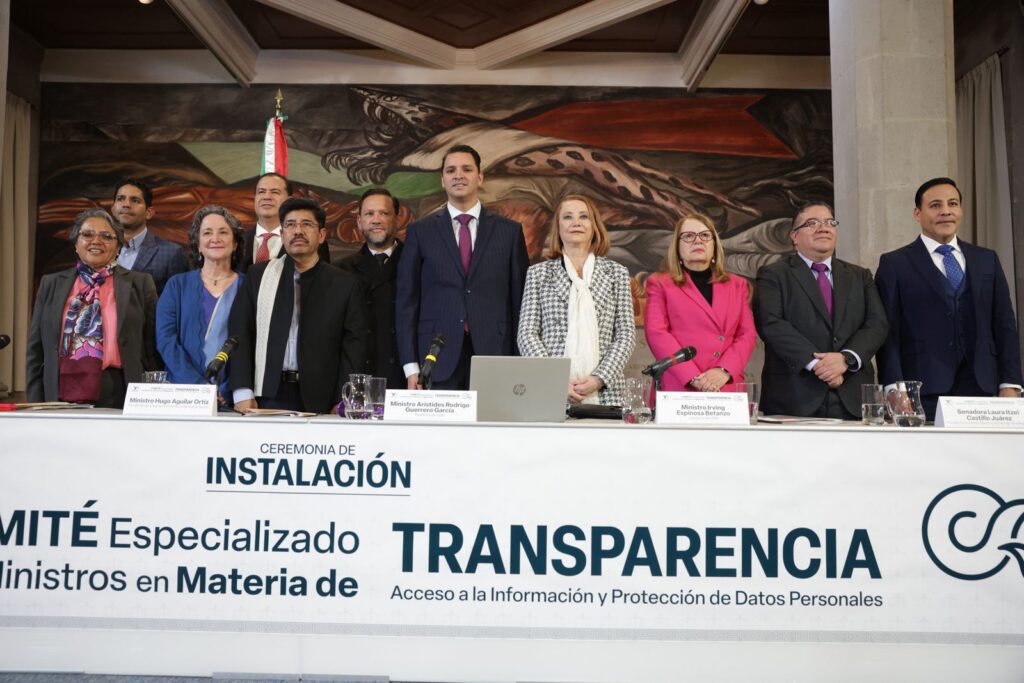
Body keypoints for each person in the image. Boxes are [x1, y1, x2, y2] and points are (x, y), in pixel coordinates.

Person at [875, 177, 1023, 419]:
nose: (946, 211)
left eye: (952, 204)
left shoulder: (987, 259)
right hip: (921, 391)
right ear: (917, 214)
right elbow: (887, 333)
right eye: (935, 205)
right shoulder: (895, 263)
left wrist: (1010, 383)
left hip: (984, 389)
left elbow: (1004, 325)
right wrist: (894, 388)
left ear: (961, 210)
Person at [396, 144, 529, 390]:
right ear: (442, 180)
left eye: (466, 169)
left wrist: (518, 362)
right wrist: (411, 367)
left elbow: (520, 302)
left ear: (480, 177)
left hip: (495, 355)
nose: (458, 175)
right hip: (435, 358)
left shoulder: (509, 232)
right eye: (451, 170)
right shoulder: (420, 232)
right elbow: (407, 303)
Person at [228, 197, 366, 414]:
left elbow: (353, 347)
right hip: (267, 395)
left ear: (321, 235)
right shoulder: (259, 276)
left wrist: (342, 400)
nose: (298, 231)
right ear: (282, 235)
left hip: (323, 397)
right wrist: (242, 392)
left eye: (307, 224)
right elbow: (240, 333)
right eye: (290, 225)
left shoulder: (345, 284)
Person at [753, 202, 888, 419]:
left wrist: (845, 359)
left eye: (829, 222)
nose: (823, 228)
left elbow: (877, 324)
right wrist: (819, 365)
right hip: (794, 395)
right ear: (794, 236)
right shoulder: (773, 275)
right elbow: (771, 323)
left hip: (852, 393)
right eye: (812, 223)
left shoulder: (860, 276)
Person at [27, 208, 159, 408]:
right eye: (87, 234)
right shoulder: (51, 284)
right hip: (61, 387)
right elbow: (35, 350)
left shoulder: (140, 284)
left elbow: (152, 347)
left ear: (118, 246)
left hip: (119, 388)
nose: (96, 241)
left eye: (106, 236)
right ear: (76, 243)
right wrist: (35, 403)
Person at [517, 195, 635, 405]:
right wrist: (557, 379)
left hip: (605, 392)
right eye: (568, 217)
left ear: (594, 226)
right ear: (558, 227)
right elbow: (527, 334)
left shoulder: (617, 273)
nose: (576, 223)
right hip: (551, 390)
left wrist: (599, 378)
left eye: (584, 216)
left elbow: (625, 335)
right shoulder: (538, 274)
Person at [644, 212, 756, 393]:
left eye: (705, 235)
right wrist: (692, 376)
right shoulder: (660, 283)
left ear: (714, 245)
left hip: (724, 385)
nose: (698, 241)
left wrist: (723, 370)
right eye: (688, 236)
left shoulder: (738, 285)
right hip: (680, 385)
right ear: (677, 247)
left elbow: (747, 335)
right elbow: (657, 333)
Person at [156, 205, 246, 405]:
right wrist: (198, 387)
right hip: (182, 396)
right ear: (198, 244)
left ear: (235, 243)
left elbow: (254, 345)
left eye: (223, 232)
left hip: (233, 398)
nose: (215, 238)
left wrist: (228, 389)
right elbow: (166, 340)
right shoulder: (177, 285)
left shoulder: (249, 286)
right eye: (207, 233)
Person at [338, 188, 405, 389]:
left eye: (383, 213)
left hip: (405, 380)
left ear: (397, 219)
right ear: (359, 222)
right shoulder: (341, 271)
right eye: (369, 214)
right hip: (359, 379)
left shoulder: (417, 263)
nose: (376, 220)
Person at [240, 172, 329, 273]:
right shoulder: (237, 240)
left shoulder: (313, 240)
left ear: (288, 200)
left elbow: (322, 278)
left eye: (275, 192)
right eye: (261, 192)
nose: (266, 197)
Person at [111, 178, 188, 294]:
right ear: (113, 209)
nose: (126, 204)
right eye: (120, 199)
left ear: (149, 212)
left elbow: (179, 299)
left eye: (135, 200)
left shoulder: (171, 253)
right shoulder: (100, 248)